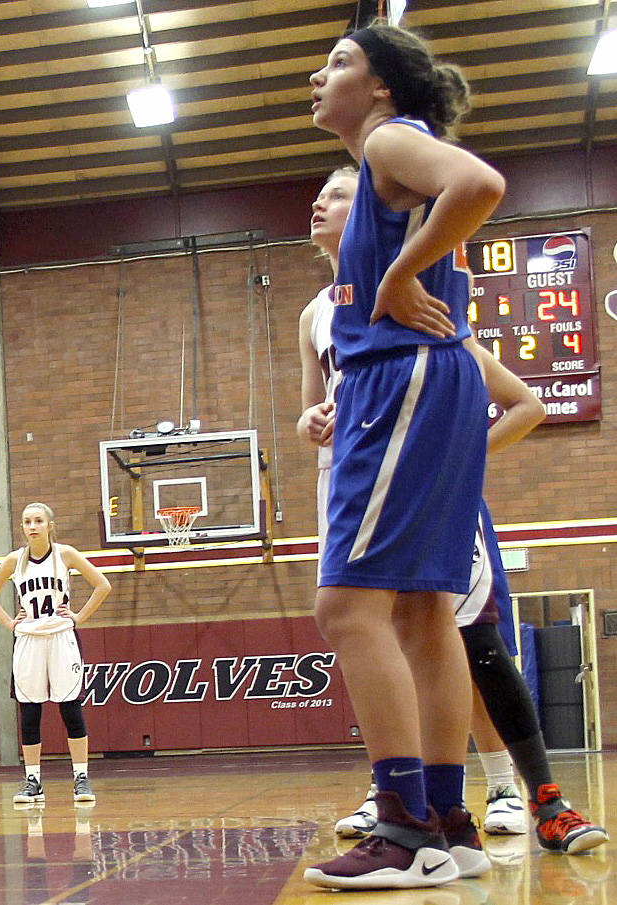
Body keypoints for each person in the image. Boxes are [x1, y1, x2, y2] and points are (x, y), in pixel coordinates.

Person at [302, 169, 609, 857]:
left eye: (339, 191)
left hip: (424, 484)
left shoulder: (411, 285)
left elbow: (520, 399)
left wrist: (457, 459)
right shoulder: (317, 314)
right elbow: (309, 408)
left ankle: (526, 795)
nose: (319, 201)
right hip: (352, 485)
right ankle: (423, 800)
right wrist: (312, 420)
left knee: (466, 637)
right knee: (390, 631)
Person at [304, 20, 506, 889]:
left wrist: (397, 276)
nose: (320, 75)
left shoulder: (388, 140)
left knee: (347, 610)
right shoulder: (387, 154)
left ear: (383, 87)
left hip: (408, 379)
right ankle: (448, 818)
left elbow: (480, 181)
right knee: (423, 611)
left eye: (341, 62)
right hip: (424, 382)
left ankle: (400, 824)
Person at [0, 503, 112, 805]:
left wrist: (78, 616)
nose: (32, 526)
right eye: (27, 521)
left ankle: (81, 777)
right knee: (30, 712)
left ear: (50, 525)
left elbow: (102, 585)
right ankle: (33, 781)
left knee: (70, 708)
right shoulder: (14, 560)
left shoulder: (65, 554)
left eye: (38, 520)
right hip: (29, 641)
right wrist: (10, 623)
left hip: (61, 637)